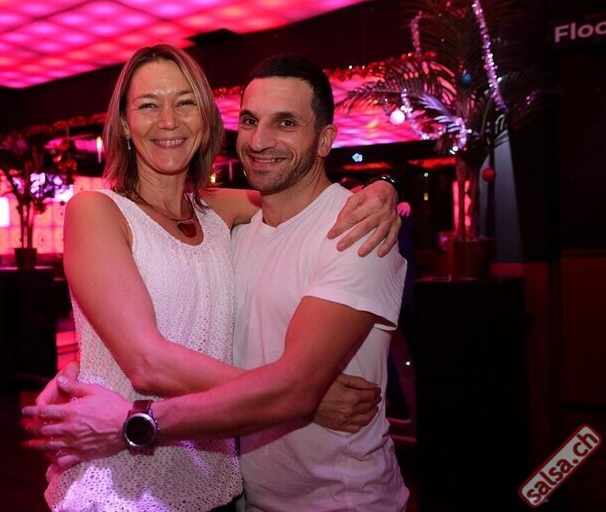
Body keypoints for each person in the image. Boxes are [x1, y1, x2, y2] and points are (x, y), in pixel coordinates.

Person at [22, 44, 401, 511]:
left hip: (218, 479)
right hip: (125, 473)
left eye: (184, 103)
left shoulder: (218, 213)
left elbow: (297, 194)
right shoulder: (96, 210)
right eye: (148, 105)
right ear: (123, 124)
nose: (168, 121)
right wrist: (299, 396)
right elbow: (146, 361)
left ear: (204, 118)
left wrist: (384, 188)